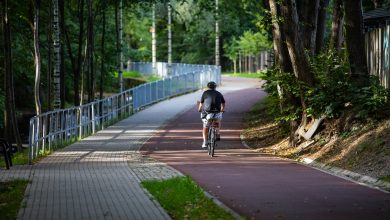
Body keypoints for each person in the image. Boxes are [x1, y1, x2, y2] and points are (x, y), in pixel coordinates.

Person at [197, 81, 225, 148]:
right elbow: (223, 103)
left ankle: (205, 142)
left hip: (207, 113)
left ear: (208, 87)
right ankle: (218, 133)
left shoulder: (205, 93)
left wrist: (199, 109)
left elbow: (201, 104)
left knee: (205, 127)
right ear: (215, 87)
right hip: (217, 113)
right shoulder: (219, 93)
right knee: (218, 120)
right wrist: (222, 109)